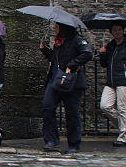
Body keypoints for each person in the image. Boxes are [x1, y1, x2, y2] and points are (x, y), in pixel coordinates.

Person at [40, 22, 93, 152]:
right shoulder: (59, 42)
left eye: (57, 26)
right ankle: (51, 139)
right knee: (47, 107)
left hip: (72, 81)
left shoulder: (76, 40)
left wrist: (71, 65)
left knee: (72, 113)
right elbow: (55, 59)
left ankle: (74, 144)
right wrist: (45, 50)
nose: (55, 28)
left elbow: (87, 53)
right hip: (56, 79)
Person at [98, 24, 126, 147]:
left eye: (119, 30)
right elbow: (104, 64)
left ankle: (123, 137)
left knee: (123, 108)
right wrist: (102, 53)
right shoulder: (111, 46)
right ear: (111, 32)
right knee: (105, 106)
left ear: (123, 31)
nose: (117, 32)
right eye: (114, 30)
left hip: (125, 81)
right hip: (111, 81)